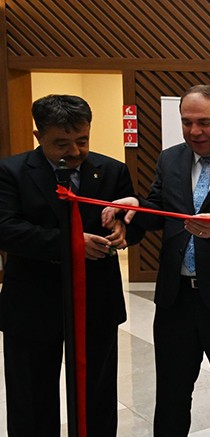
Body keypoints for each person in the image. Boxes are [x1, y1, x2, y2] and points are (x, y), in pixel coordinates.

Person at [106, 84, 210, 437]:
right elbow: (159, 209)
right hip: (176, 297)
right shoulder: (171, 158)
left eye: (204, 122)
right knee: (171, 387)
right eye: (186, 122)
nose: (194, 131)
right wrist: (137, 206)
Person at [0, 94, 142, 435]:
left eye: (82, 140)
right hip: (32, 303)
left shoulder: (111, 170)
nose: (75, 151)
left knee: (98, 395)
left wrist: (124, 229)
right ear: (39, 136)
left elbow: (135, 223)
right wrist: (71, 244)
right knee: (31, 397)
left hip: (96, 302)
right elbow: (6, 229)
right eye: (61, 144)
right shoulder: (12, 172)